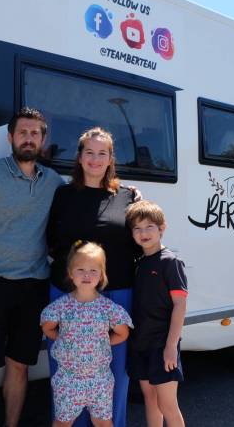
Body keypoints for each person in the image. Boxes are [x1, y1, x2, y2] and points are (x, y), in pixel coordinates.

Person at [0, 107, 64, 427]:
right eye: (23, 133)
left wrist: (129, 192)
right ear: (10, 137)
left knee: (19, 366)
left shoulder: (54, 183)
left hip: (34, 289)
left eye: (35, 133)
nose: (29, 138)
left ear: (43, 139)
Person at [47, 127, 139, 427]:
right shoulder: (63, 195)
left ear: (111, 158)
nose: (95, 159)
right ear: (80, 157)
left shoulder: (127, 196)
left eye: (103, 153)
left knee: (115, 369)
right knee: (67, 368)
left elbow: (144, 235)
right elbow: (51, 240)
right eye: (89, 152)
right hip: (68, 293)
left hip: (117, 292)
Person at [41, 241, 133, 427]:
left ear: (101, 275)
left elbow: (122, 333)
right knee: (62, 423)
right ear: (70, 274)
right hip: (68, 380)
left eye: (93, 270)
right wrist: (63, 340)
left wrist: (102, 342)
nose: (86, 275)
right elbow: (47, 327)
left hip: (99, 380)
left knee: (103, 422)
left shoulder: (108, 308)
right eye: (80, 269)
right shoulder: (61, 306)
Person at [125, 201, 187, 427]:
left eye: (149, 227)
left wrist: (171, 347)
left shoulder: (170, 262)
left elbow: (180, 305)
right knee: (150, 399)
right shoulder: (139, 263)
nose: (143, 233)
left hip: (162, 344)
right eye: (137, 228)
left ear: (162, 228)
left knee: (167, 405)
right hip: (140, 343)